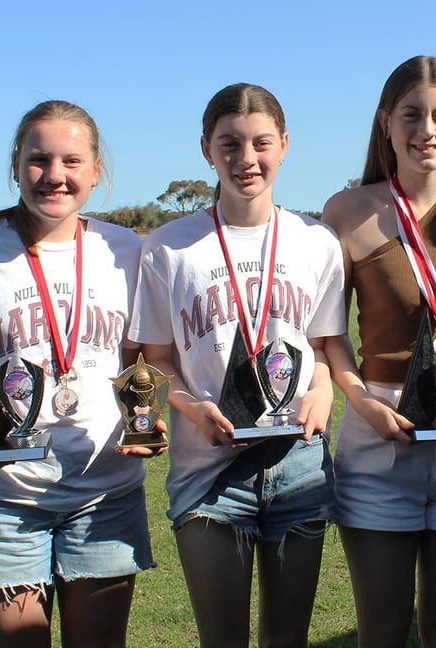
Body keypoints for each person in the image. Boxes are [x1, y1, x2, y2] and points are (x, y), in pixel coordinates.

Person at [0, 100, 161, 647]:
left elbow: (141, 363)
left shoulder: (124, 250)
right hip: (2, 499)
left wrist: (146, 423)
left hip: (105, 496)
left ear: (95, 171)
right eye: (39, 159)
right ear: (17, 163)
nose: (55, 176)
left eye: (72, 161)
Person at [128, 83, 346, 648]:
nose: (245, 159)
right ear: (206, 148)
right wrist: (192, 407)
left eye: (260, 143)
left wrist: (324, 388)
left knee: (288, 639)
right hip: (208, 471)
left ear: (285, 145)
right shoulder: (169, 248)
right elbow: (155, 363)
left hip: (297, 459)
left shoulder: (317, 240)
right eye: (229, 143)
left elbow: (323, 344)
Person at [322, 55, 436, 647]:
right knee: (382, 630)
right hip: (383, 439)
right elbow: (330, 336)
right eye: (411, 115)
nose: (426, 130)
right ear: (385, 122)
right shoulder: (348, 210)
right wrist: (360, 403)